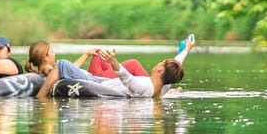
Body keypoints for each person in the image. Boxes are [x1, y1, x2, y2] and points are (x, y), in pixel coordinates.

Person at [36, 38, 196, 98]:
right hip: (105, 80)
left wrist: (114, 62)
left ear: (160, 70)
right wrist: (187, 49)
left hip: (100, 84)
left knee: (62, 63)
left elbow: (127, 77)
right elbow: (177, 61)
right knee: (70, 68)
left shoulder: (144, 87)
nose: (159, 63)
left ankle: (40, 98)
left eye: (161, 63)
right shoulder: (164, 86)